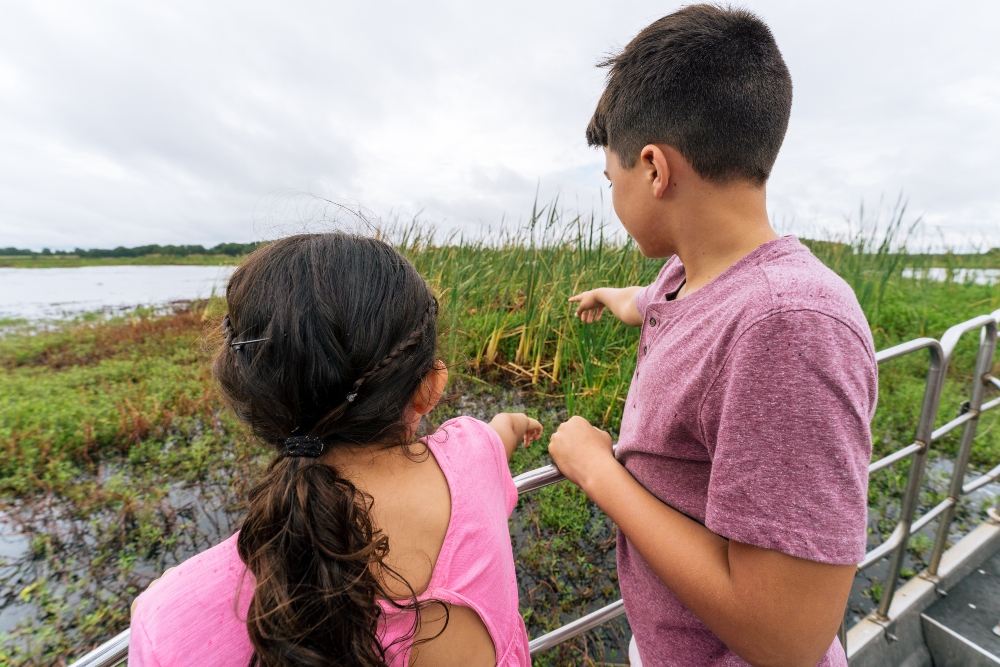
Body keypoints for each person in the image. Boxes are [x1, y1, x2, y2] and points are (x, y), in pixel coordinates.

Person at [548, 5, 877, 667]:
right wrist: (609, 298)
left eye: (611, 181)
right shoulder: (689, 274)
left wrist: (596, 470)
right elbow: (656, 303)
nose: (612, 200)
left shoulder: (789, 325)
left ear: (654, 169)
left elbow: (787, 638)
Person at [129, 233, 539, 667]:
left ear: (250, 399)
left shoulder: (170, 623)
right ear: (431, 387)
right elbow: (501, 431)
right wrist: (521, 423)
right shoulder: (475, 454)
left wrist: (158, 614)